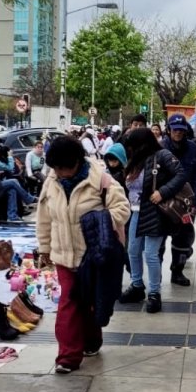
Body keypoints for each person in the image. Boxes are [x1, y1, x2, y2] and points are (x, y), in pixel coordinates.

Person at [36, 136, 130, 373]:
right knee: (69, 301)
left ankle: (91, 341)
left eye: (66, 167)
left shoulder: (101, 180)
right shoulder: (51, 182)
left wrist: (100, 221)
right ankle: (67, 356)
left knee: (88, 303)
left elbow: (123, 209)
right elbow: (44, 219)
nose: (62, 173)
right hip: (63, 256)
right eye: (57, 168)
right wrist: (44, 249)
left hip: (93, 257)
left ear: (78, 161)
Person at [118, 128, 187, 313]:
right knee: (132, 250)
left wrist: (162, 192)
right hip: (136, 211)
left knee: (150, 254)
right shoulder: (135, 160)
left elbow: (181, 174)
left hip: (155, 212)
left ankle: (154, 293)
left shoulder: (162, 155)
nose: (130, 149)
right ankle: (137, 285)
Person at [158, 114, 196, 287]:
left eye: (181, 130)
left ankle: (177, 271)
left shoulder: (195, 149)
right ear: (169, 130)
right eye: (175, 130)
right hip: (163, 202)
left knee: (183, 239)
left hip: (186, 203)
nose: (178, 133)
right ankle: (156, 275)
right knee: (159, 241)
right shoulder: (160, 147)